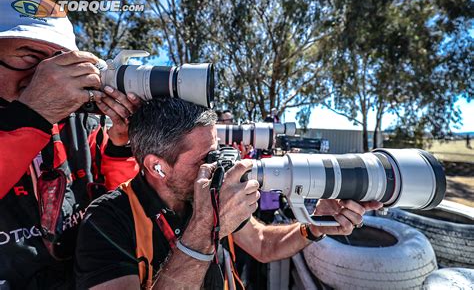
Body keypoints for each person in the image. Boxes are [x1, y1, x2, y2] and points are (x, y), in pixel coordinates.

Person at [75, 98, 382, 289]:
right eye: (204, 160)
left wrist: (314, 225)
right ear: (157, 167)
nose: (217, 166)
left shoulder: (207, 191)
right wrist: (205, 228)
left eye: (218, 152)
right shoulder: (105, 221)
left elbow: (262, 244)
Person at [0, 0, 139, 289]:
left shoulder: (77, 123)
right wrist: (31, 116)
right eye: (29, 57)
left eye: (60, 62)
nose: (49, 76)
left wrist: (120, 146)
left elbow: (114, 204)